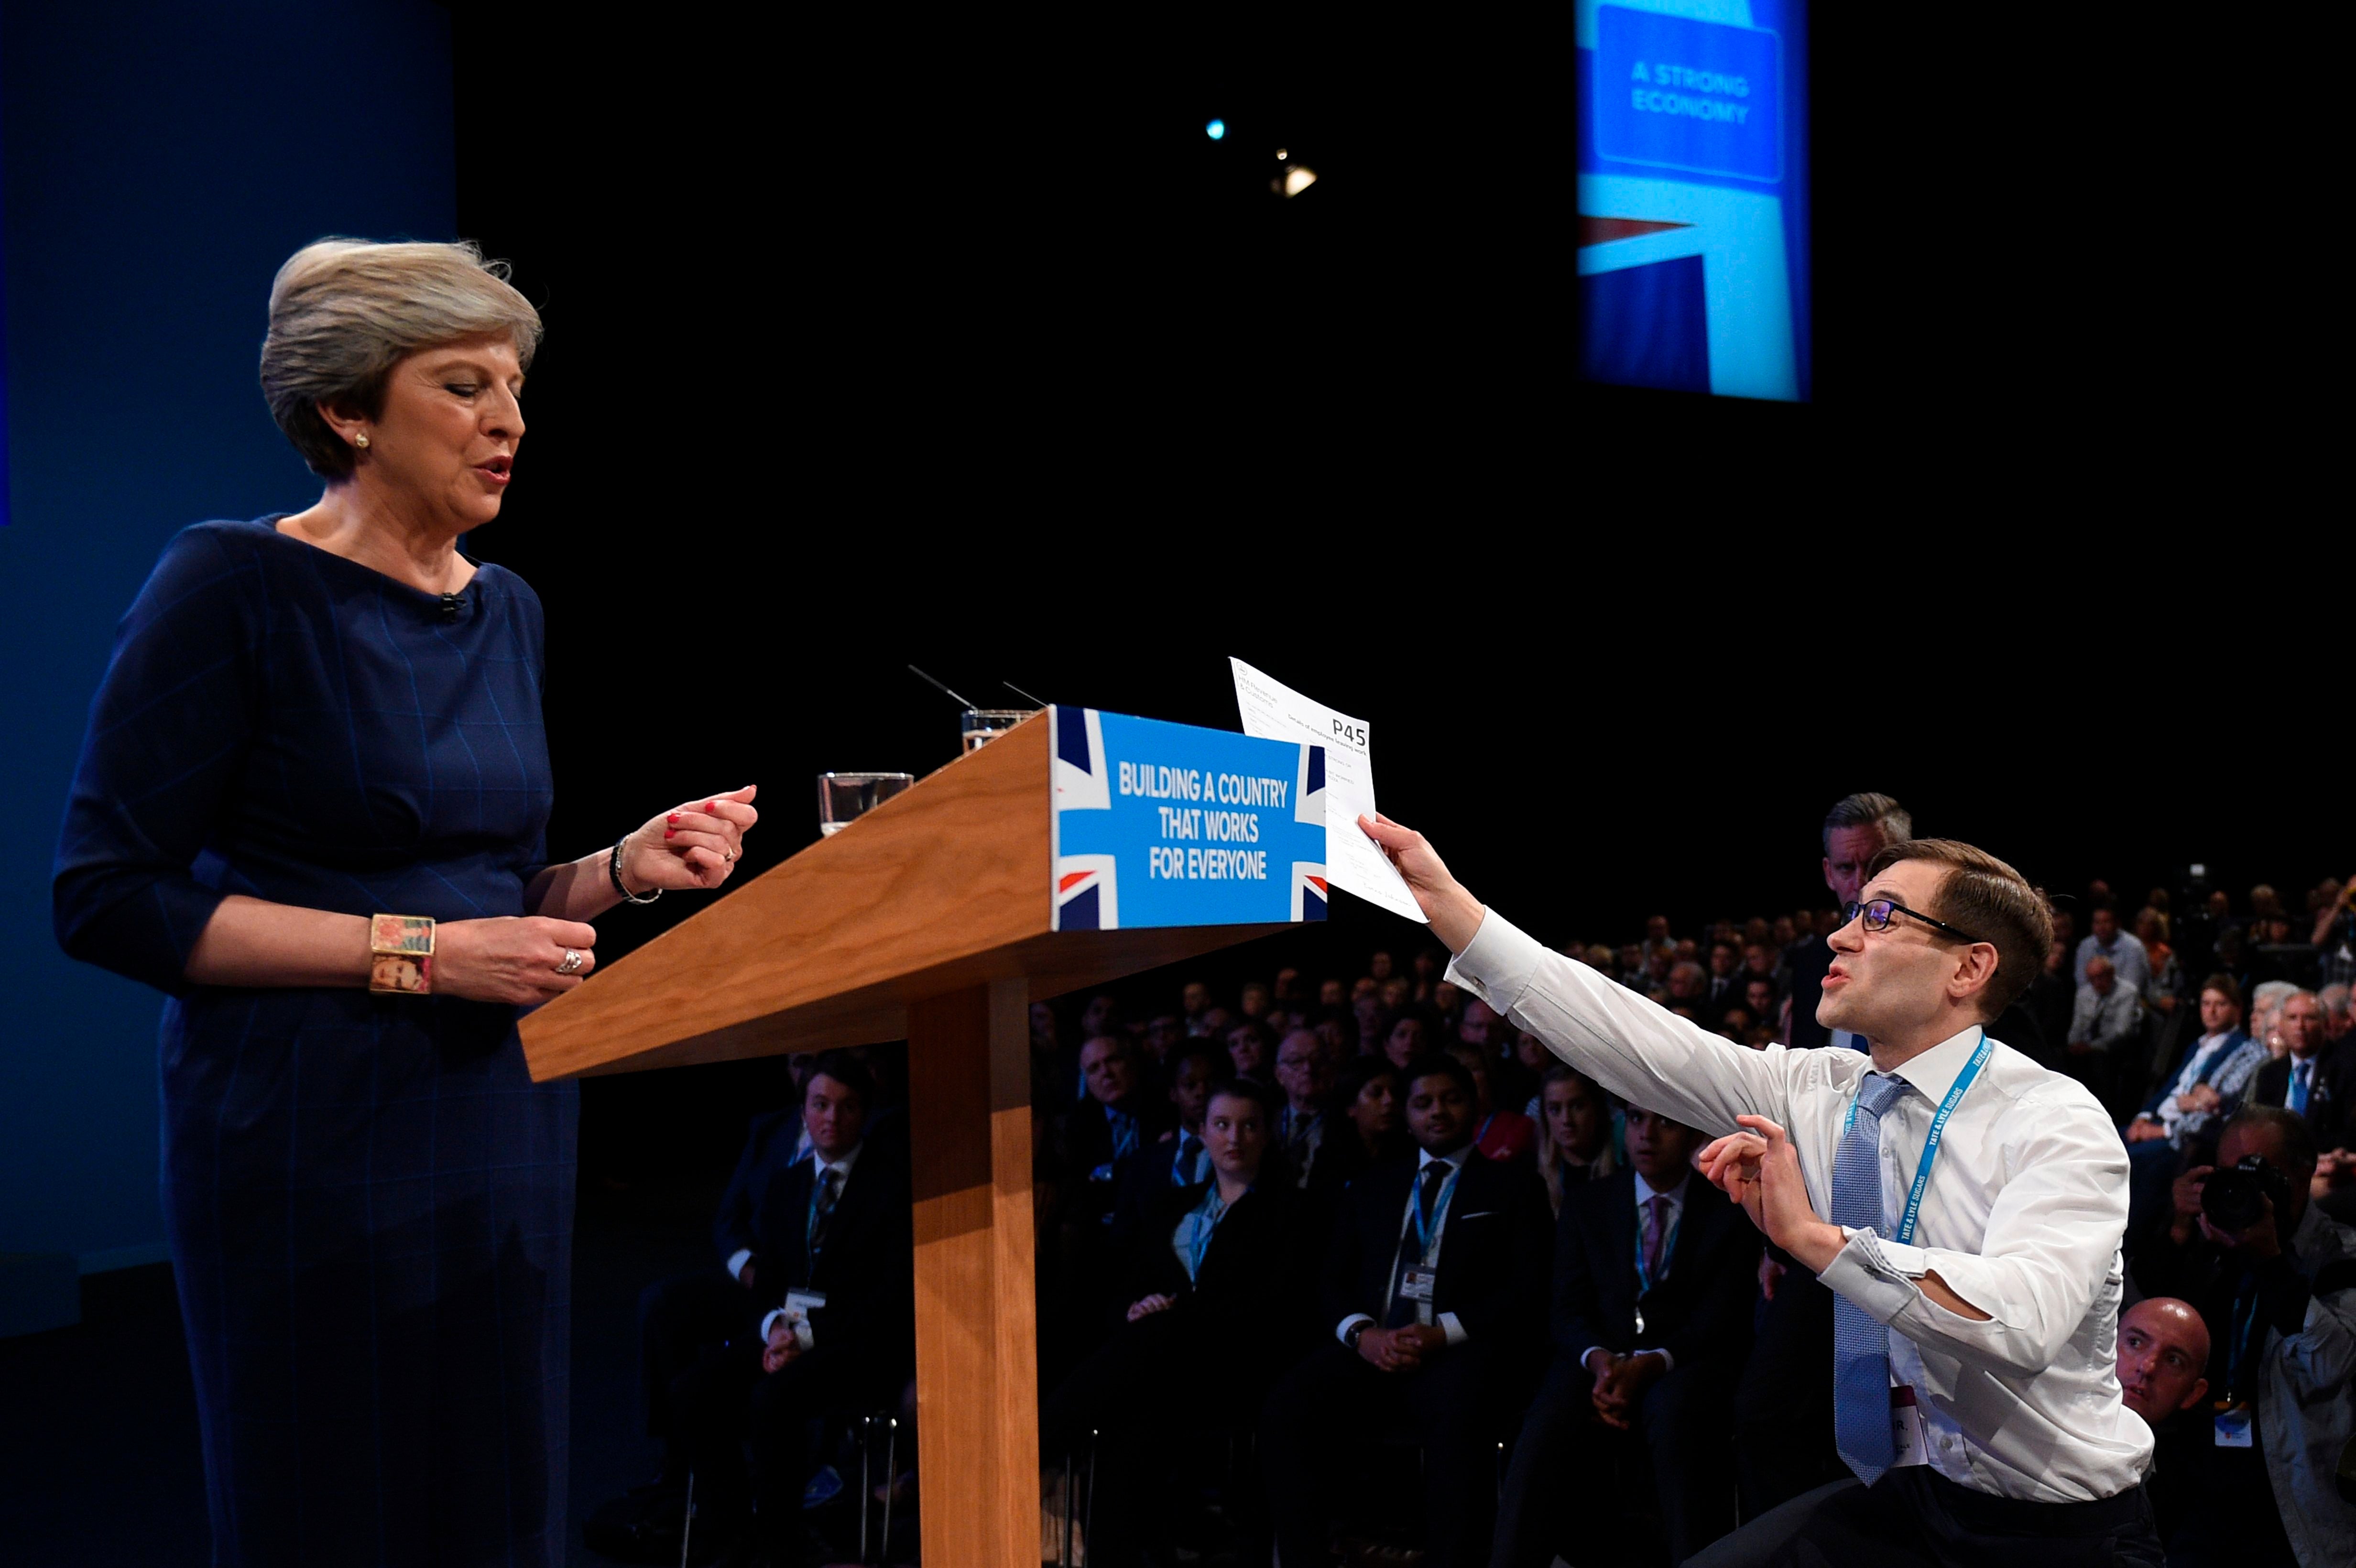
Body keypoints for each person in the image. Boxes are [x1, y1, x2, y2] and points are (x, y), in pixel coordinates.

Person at [47, 240, 762, 1568]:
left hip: (501, 1125)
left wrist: (618, 869)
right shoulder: (232, 586)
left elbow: (493, 887)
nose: (511, 422)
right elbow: (105, 898)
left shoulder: (510, 610)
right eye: (465, 386)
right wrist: (425, 957)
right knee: (330, 1514)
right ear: (348, 410)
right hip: (304, 1138)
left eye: (515, 386)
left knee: (493, 1516)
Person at [1360, 813, 2163, 1563]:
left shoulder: (2053, 1120)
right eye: (1852, 909)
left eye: (1879, 916)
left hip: (2066, 1527)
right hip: (1923, 1493)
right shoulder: (1821, 1087)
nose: (1838, 931)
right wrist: (1448, 902)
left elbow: (2022, 1319)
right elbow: (1629, 1036)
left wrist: (1814, 1241)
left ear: (1968, 967)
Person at [1259, 1055, 1550, 1568]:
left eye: (1450, 1099)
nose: (1437, 1111)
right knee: (1288, 1402)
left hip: (1456, 1347)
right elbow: (1330, 1280)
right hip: (1375, 1343)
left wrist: (1443, 1332)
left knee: (1463, 1410)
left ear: (1476, 1106)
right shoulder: (1374, 1184)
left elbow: (1526, 1286)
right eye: (1423, 1103)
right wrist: (1362, 1334)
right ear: (1408, 1115)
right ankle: (1305, 1558)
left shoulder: (1511, 1185)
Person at [1043, 1078, 1311, 1568]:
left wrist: (1171, 1312)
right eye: (1222, 1125)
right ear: (1202, 1133)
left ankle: (1036, 1444)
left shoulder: (1289, 1213)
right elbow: (1123, 1286)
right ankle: (1110, 1557)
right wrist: (1133, 1307)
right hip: (1155, 1368)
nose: (1235, 1137)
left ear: (1267, 1135)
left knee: (1150, 1347)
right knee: (1129, 1413)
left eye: (1248, 1125)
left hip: (1234, 1365)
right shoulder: (1171, 1205)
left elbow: (1274, 1306)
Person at [667, 1053, 914, 1565]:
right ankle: (732, 1529)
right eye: (821, 1105)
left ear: (864, 1113)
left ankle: (778, 1538)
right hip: (788, 1332)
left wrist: (804, 1337)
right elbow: (767, 1284)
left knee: (772, 1397)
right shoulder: (787, 1186)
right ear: (803, 1110)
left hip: (852, 1343)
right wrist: (774, 1326)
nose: (832, 1118)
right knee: (692, 1389)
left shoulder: (890, 1190)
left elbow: (887, 1300)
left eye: (847, 1107)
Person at [1493, 1104, 1759, 1567]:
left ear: (1694, 1134)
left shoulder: (1725, 1208)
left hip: (1681, 1357)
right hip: (1600, 1357)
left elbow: (1722, 1316)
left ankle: (1693, 1558)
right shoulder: (1589, 1202)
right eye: (1636, 1120)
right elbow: (1566, 1308)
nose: (1646, 1136)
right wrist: (1599, 1361)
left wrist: (1654, 1361)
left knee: (1673, 1411)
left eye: (1665, 1121)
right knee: (1545, 1415)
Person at [2130, 1107, 2356, 1567]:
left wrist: (2270, 1259)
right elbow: (2138, 1322)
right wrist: (2176, 1231)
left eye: (2258, 1171)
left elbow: (2332, 1365)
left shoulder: (2342, 1255)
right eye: (2229, 1173)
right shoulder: (2211, 1238)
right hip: (2201, 1480)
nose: (2242, 1187)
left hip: (2294, 1497)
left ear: (2302, 1170)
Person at [2122, 976, 2266, 1243]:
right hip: (2157, 1121)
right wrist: (2143, 1117)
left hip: (2179, 1135)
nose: (2211, 1011)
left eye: (2220, 1004)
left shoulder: (2240, 1049)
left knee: (2132, 1163)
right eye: (2206, 1004)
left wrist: (2162, 1129)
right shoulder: (2196, 1045)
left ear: (2237, 1009)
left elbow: (2213, 1106)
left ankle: (2129, 1243)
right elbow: (2171, 1088)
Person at [1787, 792, 1911, 1052]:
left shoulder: (1941, 958)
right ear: (1829, 874)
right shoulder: (1810, 963)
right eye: (1846, 868)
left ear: (1907, 862)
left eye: (1875, 864)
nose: (1861, 882)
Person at [2250, 990, 2356, 1151]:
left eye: (2309, 1018)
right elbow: (2258, 1129)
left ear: (2326, 1025)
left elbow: (2348, 1133)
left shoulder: (2346, 1069)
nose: (2300, 1026)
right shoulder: (2269, 1074)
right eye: (2292, 1018)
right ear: (2281, 1028)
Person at [1535, 1064, 1618, 1213]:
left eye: (1577, 1107)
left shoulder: (1622, 1173)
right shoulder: (1534, 1180)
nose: (1566, 1120)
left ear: (1596, 1108)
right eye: (1555, 1109)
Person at [2064, 953, 2143, 1103]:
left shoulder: (2128, 992)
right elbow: (2077, 1026)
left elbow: (2122, 1031)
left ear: (2112, 973)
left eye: (2101, 976)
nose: (2097, 982)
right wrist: (2073, 1044)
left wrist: (2091, 1048)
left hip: (2116, 1050)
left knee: (2099, 1061)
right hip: (2085, 1048)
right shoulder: (2084, 994)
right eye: (2092, 978)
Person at [1449, 1040, 1537, 1164]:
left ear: (1489, 1074)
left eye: (1473, 1069)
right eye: (1456, 1072)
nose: (1464, 1078)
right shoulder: (1442, 1130)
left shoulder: (1516, 1126)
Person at [1273, 1028, 1336, 1189]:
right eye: (1296, 1062)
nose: (1308, 1069)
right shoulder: (1266, 1123)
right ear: (1279, 1075)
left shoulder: (1346, 1126)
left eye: (1318, 1061)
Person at [2075, 901, 2153, 993]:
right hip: (2092, 1002)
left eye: (2106, 922)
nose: (2101, 927)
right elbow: (2082, 985)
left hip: (2126, 1002)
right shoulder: (2085, 946)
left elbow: (2132, 988)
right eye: (2097, 922)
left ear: (2118, 924)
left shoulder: (2134, 947)